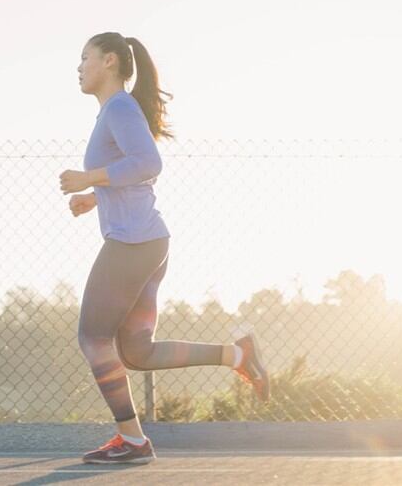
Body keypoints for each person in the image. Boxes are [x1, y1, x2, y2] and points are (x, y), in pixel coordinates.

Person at [59, 32, 269, 465]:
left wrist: (89, 178)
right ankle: (238, 355)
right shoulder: (114, 112)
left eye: (85, 58)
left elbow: (149, 164)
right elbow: (136, 174)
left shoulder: (118, 107)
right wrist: (95, 197)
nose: (79, 67)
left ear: (110, 61)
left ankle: (133, 442)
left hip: (134, 244)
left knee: (93, 337)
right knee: (136, 351)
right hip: (148, 242)